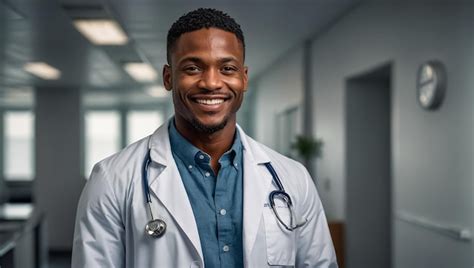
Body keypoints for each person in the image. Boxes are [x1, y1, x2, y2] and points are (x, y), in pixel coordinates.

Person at [72, 8, 337, 268]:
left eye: (227, 68)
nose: (211, 82)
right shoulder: (112, 180)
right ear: (168, 77)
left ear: (243, 79)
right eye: (192, 68)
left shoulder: (293, 179)